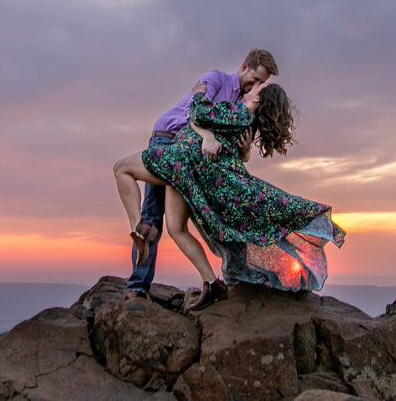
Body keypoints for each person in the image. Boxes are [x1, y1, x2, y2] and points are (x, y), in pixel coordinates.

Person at [113, 81, 345, 311]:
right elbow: (235, 152)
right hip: (190, 170)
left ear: (259, 99)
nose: (251, 90)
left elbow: (200, 113)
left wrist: (199, 94)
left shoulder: (239, 111)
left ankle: (138, 229)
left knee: (122, 168)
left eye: (257, 89)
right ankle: (212, 283)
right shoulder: (248, 125)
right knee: (177, 229)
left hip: (182, 159)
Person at [121, 49, 279, 300]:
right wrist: (207, 135)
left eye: (261, 83)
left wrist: (246, 148)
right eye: (256, 78)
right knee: (152, 217)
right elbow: (192, 113)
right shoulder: (216, 79)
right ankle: (137, 287)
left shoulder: (242, 105)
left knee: (184, 224)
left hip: (193, 157)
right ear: (245, 65)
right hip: (169, 139)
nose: (256, 85)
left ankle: (215, 281)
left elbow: (235, 151)